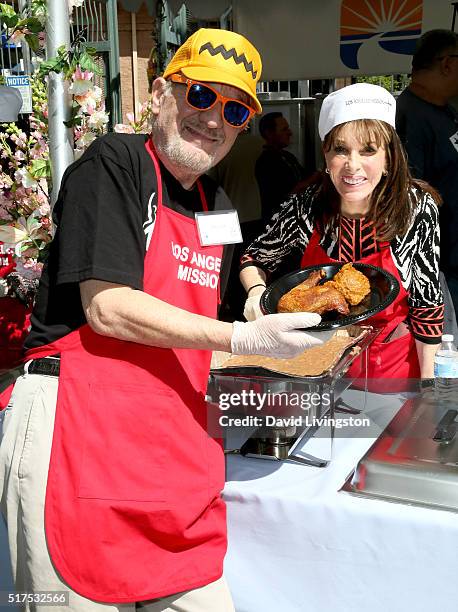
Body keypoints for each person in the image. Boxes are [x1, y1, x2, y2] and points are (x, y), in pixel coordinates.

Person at [0, 28, 328, 612]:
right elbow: (108, 307)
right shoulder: (112, 165)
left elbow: (220, 301)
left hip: (168, 445)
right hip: (79, 434)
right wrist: (239, 334)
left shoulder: (217, 206)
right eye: (201, 95)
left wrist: (257, 303)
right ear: (159, 94)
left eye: (234, 110)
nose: (214, 119)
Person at [241, 83, 444, 387]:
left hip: (392, 368)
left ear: (388, 157)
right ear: (326, 155)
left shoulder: (414, 208)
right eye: (341, 149)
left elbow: (427, 303)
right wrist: (256, 293)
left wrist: (427, 388)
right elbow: (255, 257)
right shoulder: (306, 206)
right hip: (317, 365)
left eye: (368, 150)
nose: (353, 165)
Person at [396, 30, 458, 327]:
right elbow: (410, 194)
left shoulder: (447, 111)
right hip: (442, 264)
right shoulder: (408, 116)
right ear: (447, 64)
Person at [255, 111, 306, 220]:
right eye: (284, 129)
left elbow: (304, 177)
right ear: (269, 133)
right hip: (279, 224)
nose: (290, 133)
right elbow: (285, 196)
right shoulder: (266, 163)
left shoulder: (288, 157)